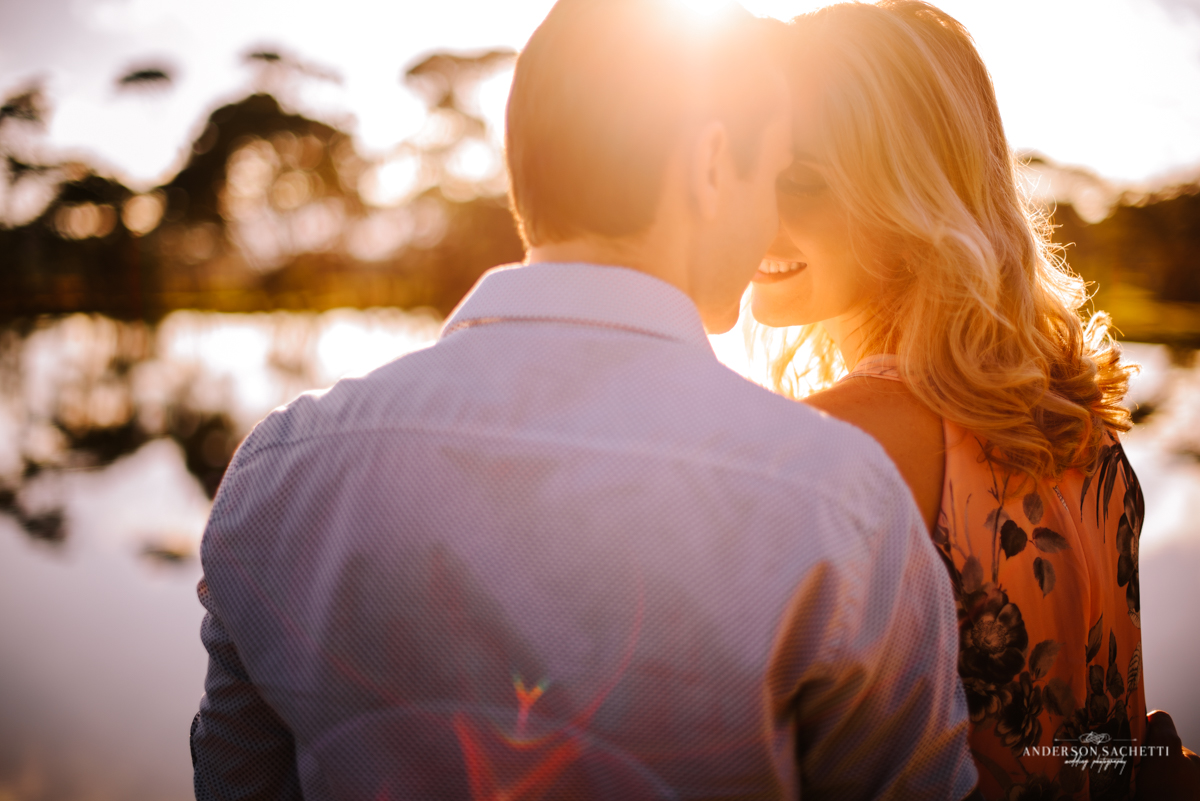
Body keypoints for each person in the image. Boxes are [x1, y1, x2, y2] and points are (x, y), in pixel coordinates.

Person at [190, 0, 981, 798]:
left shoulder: (279, 473)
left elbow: (236, 780)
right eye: (773, 174)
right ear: (712, 167)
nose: (773, 216)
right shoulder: (831, 499)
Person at [750, 2, 1196, 798]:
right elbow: (1111, 752)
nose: (761, 213)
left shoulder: (836, 446)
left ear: (906, 195)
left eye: (804, 180)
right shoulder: (1078, 423)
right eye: (753, 168)